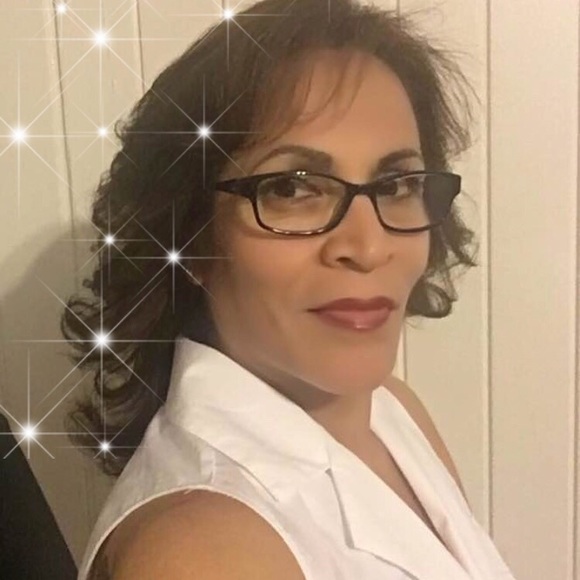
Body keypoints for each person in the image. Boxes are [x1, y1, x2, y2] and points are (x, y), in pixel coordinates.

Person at [61, 0, 516, 578]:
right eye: (292, 189)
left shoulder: (393, 412)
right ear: (191, 238)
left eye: (396, 184)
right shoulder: (202, 551)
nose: (369, 246)